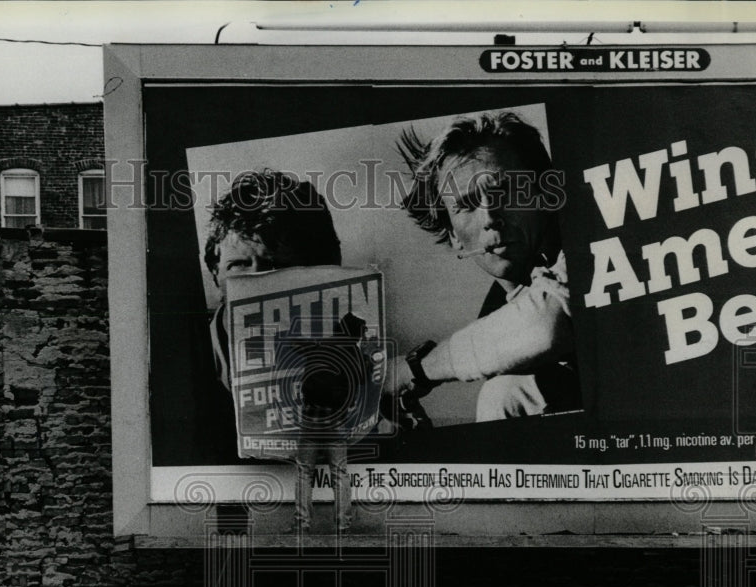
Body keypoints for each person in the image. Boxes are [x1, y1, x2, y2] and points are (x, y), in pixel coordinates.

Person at [387, 111, 581, 422]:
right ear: (453, 235)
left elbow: (545, 325)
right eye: (466, 204)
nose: (490, 217)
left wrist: (413, 370)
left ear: (545, 195)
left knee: (506, 395)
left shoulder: (590, 238)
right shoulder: (496, 324)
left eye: (505, 192)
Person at [202, 169, 355, 533]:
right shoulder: (186, 360)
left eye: (276, 268)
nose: (256, 283)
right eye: (239, 266)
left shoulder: (345, 340)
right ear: (214, 272)